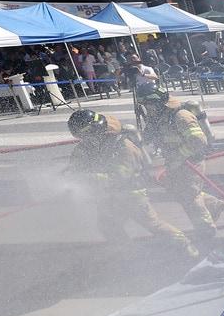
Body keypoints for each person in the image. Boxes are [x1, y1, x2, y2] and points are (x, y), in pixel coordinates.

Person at [65, 109, 200, 258]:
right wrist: (70, 175)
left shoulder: (123, 145)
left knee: (153, 225)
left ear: (94, 131)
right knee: (108, 226)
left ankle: (186, 246)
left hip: (132, 195)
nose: (84, 140)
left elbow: (121, 176)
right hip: (109, 197)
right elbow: (76, 163)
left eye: (85, 136)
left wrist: (89, 178)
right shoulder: (86, 146)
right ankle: (129, 255)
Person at [134, 81, 224, 246]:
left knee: (190, 196)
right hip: (175, 161)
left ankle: (206, 230)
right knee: (180, 191)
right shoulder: (159, 117)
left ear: (156, 102)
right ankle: (213, 204)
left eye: (148, 105)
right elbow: (150, 137)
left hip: (191, 160)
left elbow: (198, 140)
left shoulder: (180, 115)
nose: (148, 109)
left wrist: (178, 156)